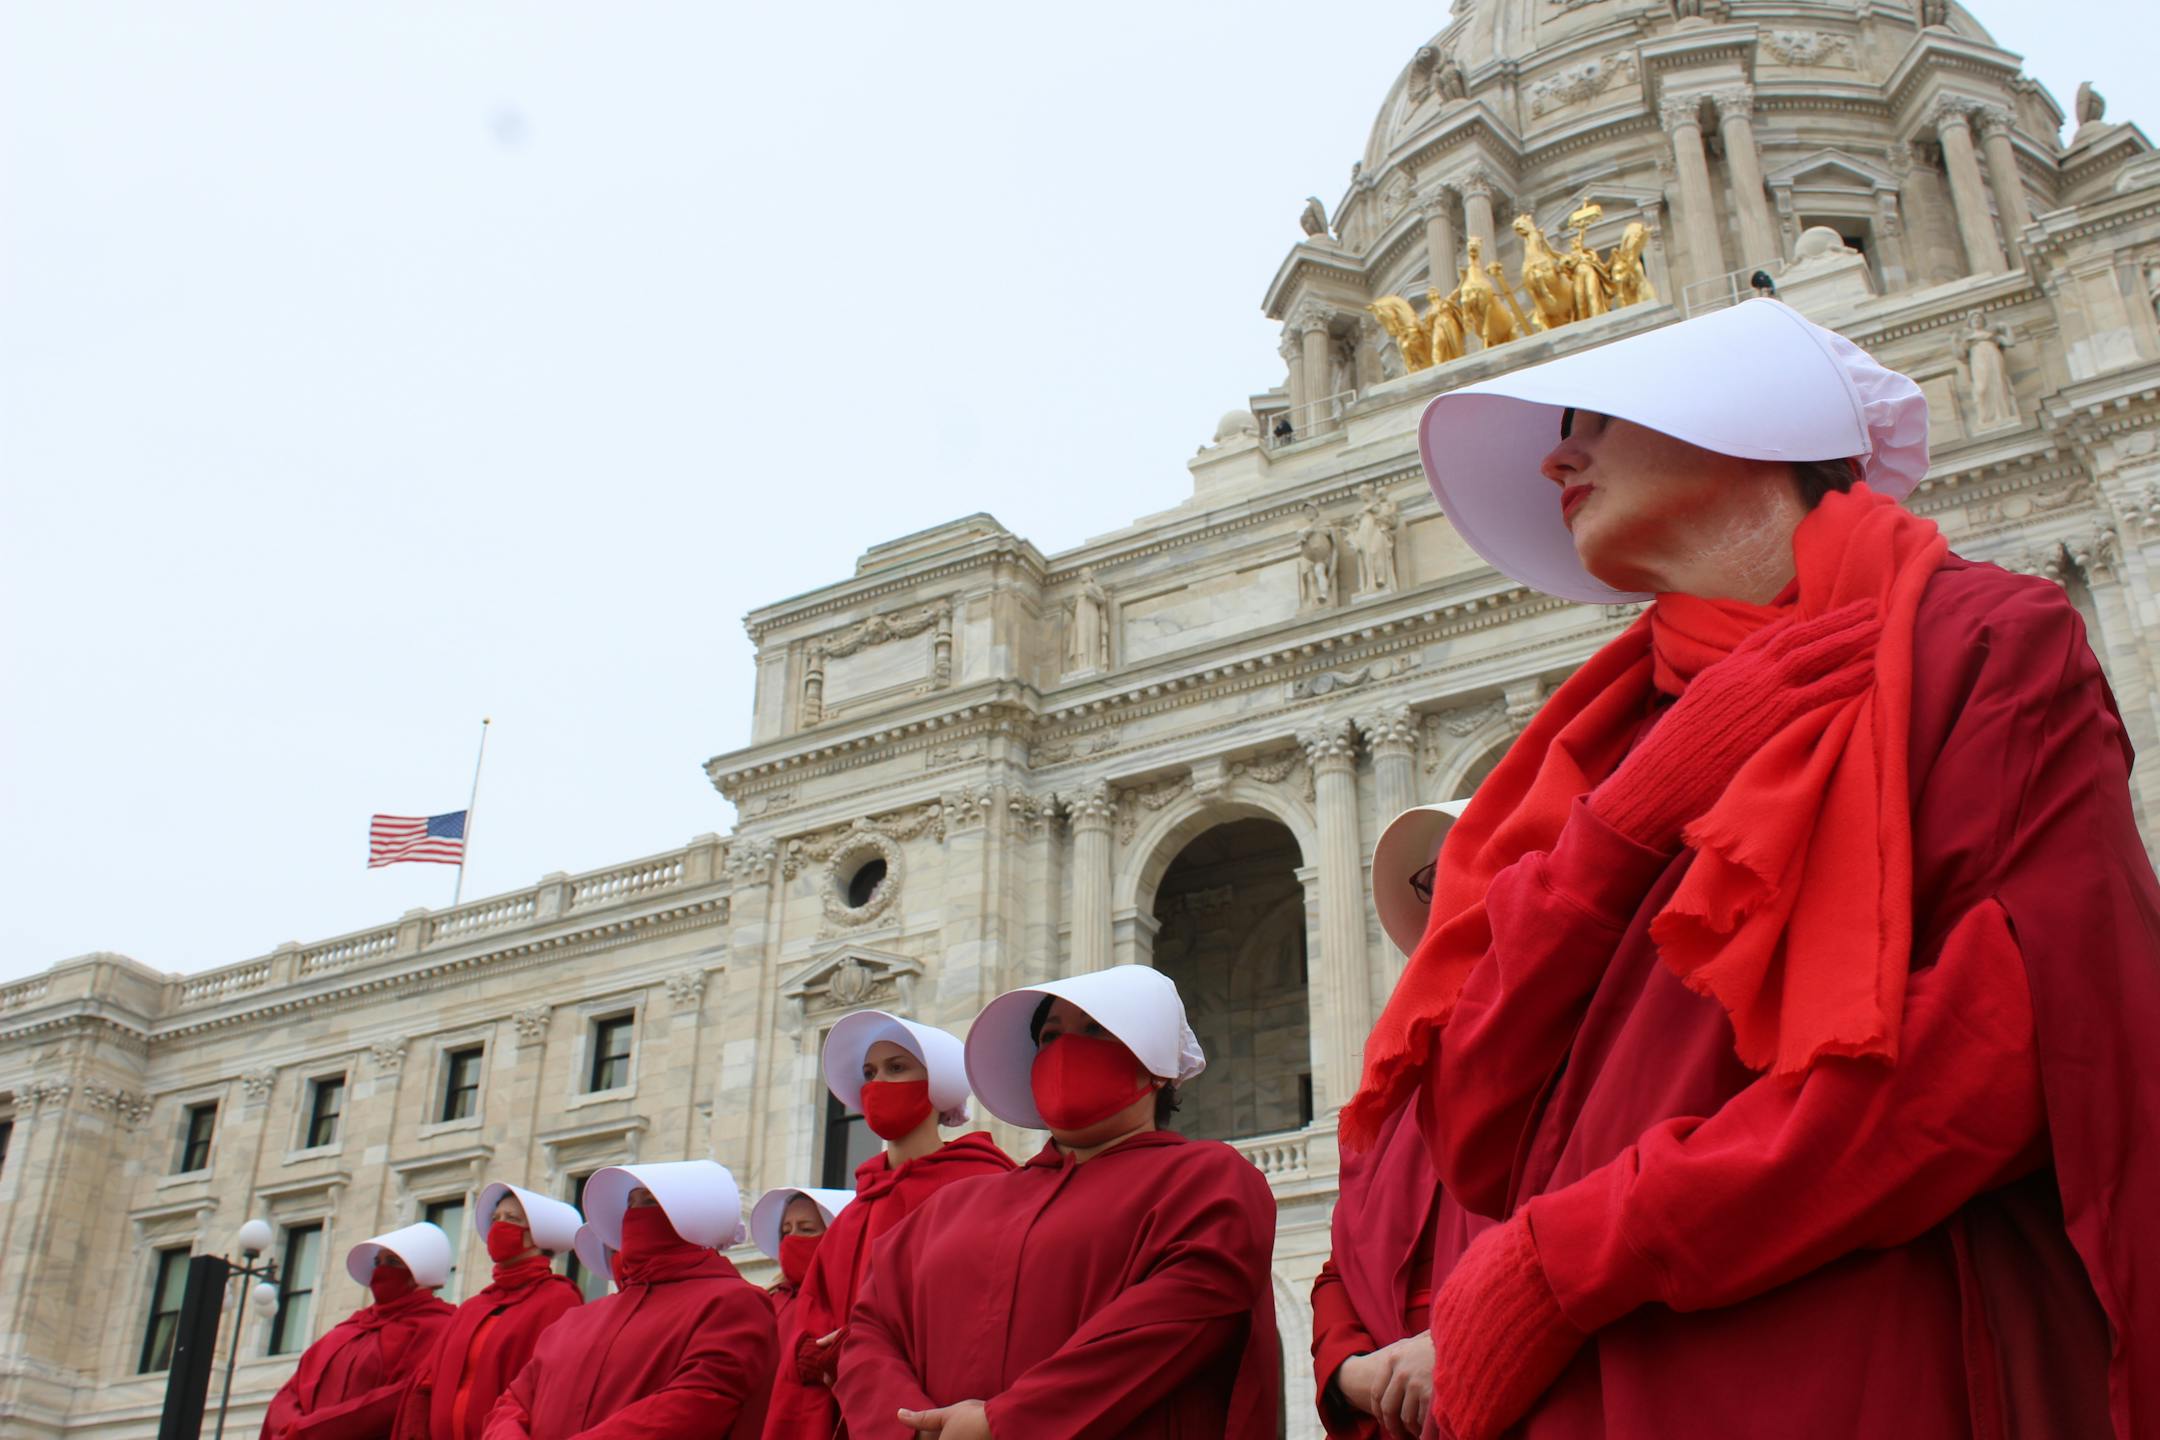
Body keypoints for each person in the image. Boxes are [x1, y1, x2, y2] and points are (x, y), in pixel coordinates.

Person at [1339, 296, 2160, 1438]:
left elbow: (2003, 1047)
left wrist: (1566, 1256)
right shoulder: (1589, 756)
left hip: (1856, 1345)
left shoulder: (1979, 640)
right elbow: (1479, 1124)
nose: (1557, 453)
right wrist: (1624, 826)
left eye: (1598, 418)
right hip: (1592, 1371)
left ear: (1753, 418)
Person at [835, 965, 1280, 1439]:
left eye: (1094, 1030)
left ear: (1154, 1065)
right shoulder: (948, 1207)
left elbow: (1167, 1328)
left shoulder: (1208, 1180)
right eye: (1050, 1036)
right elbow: (868, 1331)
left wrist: (1001, 1425)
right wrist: (907, 1427)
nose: (1066, 1048)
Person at [1311, 802, 1483, 1440]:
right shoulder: (1392, 1086)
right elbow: (1340, 1264)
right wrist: (1347, 1368)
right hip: (1389, 1406)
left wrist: (1464, 1340)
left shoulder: (1587, 1035)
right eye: (1435, 881)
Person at [764, 1012, 1014, 1439]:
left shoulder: (987, 1187)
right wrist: (812, 1351)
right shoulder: (851, 1216)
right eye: (869, 1072)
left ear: (936, 1084)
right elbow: (813, 1309)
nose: (876, 1083)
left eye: (896, 1068)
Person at [483, 1161, 776, 1440]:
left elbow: (698, 1403)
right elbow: (514, 1402)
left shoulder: (734, 1302)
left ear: (692, 1213)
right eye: (631, 1203)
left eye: (649, 1201)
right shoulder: (576, 1319)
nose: (634, 1213)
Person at [393, 1185, 584, 1440]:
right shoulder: (473, 1307)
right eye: (496, 1219)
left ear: (538, 1235)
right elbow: (425, 1384)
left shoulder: (558, 1299)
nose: (499, 1226)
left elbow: (552, 1389)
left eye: (512, 1219)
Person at [260, 1223, 457, 1440]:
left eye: (392, 1262)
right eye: (377, 1262)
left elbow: (400, 1398)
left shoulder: (440, 1329)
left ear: (421, 1271)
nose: (381, 1270)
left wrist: (310, 1431)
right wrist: (291, 1430)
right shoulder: (348, 1330)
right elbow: (289, 1394)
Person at [748, 1186, 855, 1344]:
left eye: (806, 1229)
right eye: (786, 1231)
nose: (792, 1238)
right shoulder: (767, 1301)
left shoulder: (851, 1303)